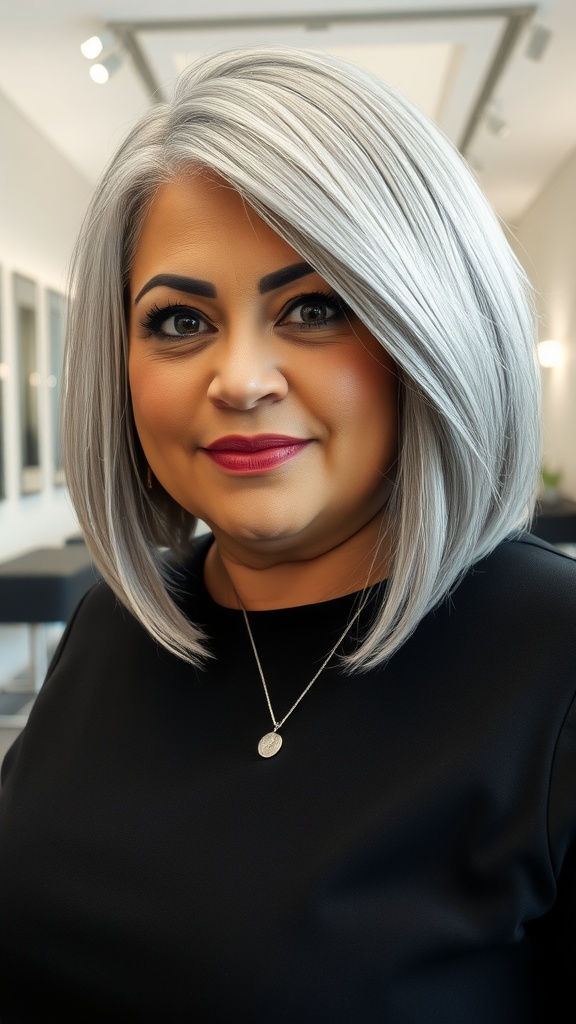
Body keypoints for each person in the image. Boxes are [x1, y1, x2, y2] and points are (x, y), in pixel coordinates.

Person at [0, 45, 575, 1023]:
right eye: (180, 321)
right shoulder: (111, 628)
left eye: (314, 308)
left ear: (428, 329)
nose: (241, 379)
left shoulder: (553, 657)